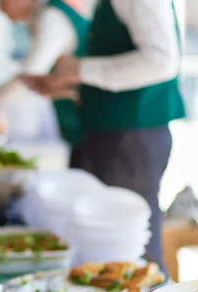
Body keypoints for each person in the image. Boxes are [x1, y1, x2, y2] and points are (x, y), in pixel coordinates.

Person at [23, 0, 186, 270]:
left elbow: (161, 61)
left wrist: (78, 69)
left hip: (131, 137)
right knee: (100, 249)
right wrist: (74, 86)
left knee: (130, 254)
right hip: (112, 132)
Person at [0, 0, 91, 148]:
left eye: (2, 2)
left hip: (98, 115)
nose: (0, 10)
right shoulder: (40, 16)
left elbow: (31, 74)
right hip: (80, 114)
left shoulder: (52, 17)